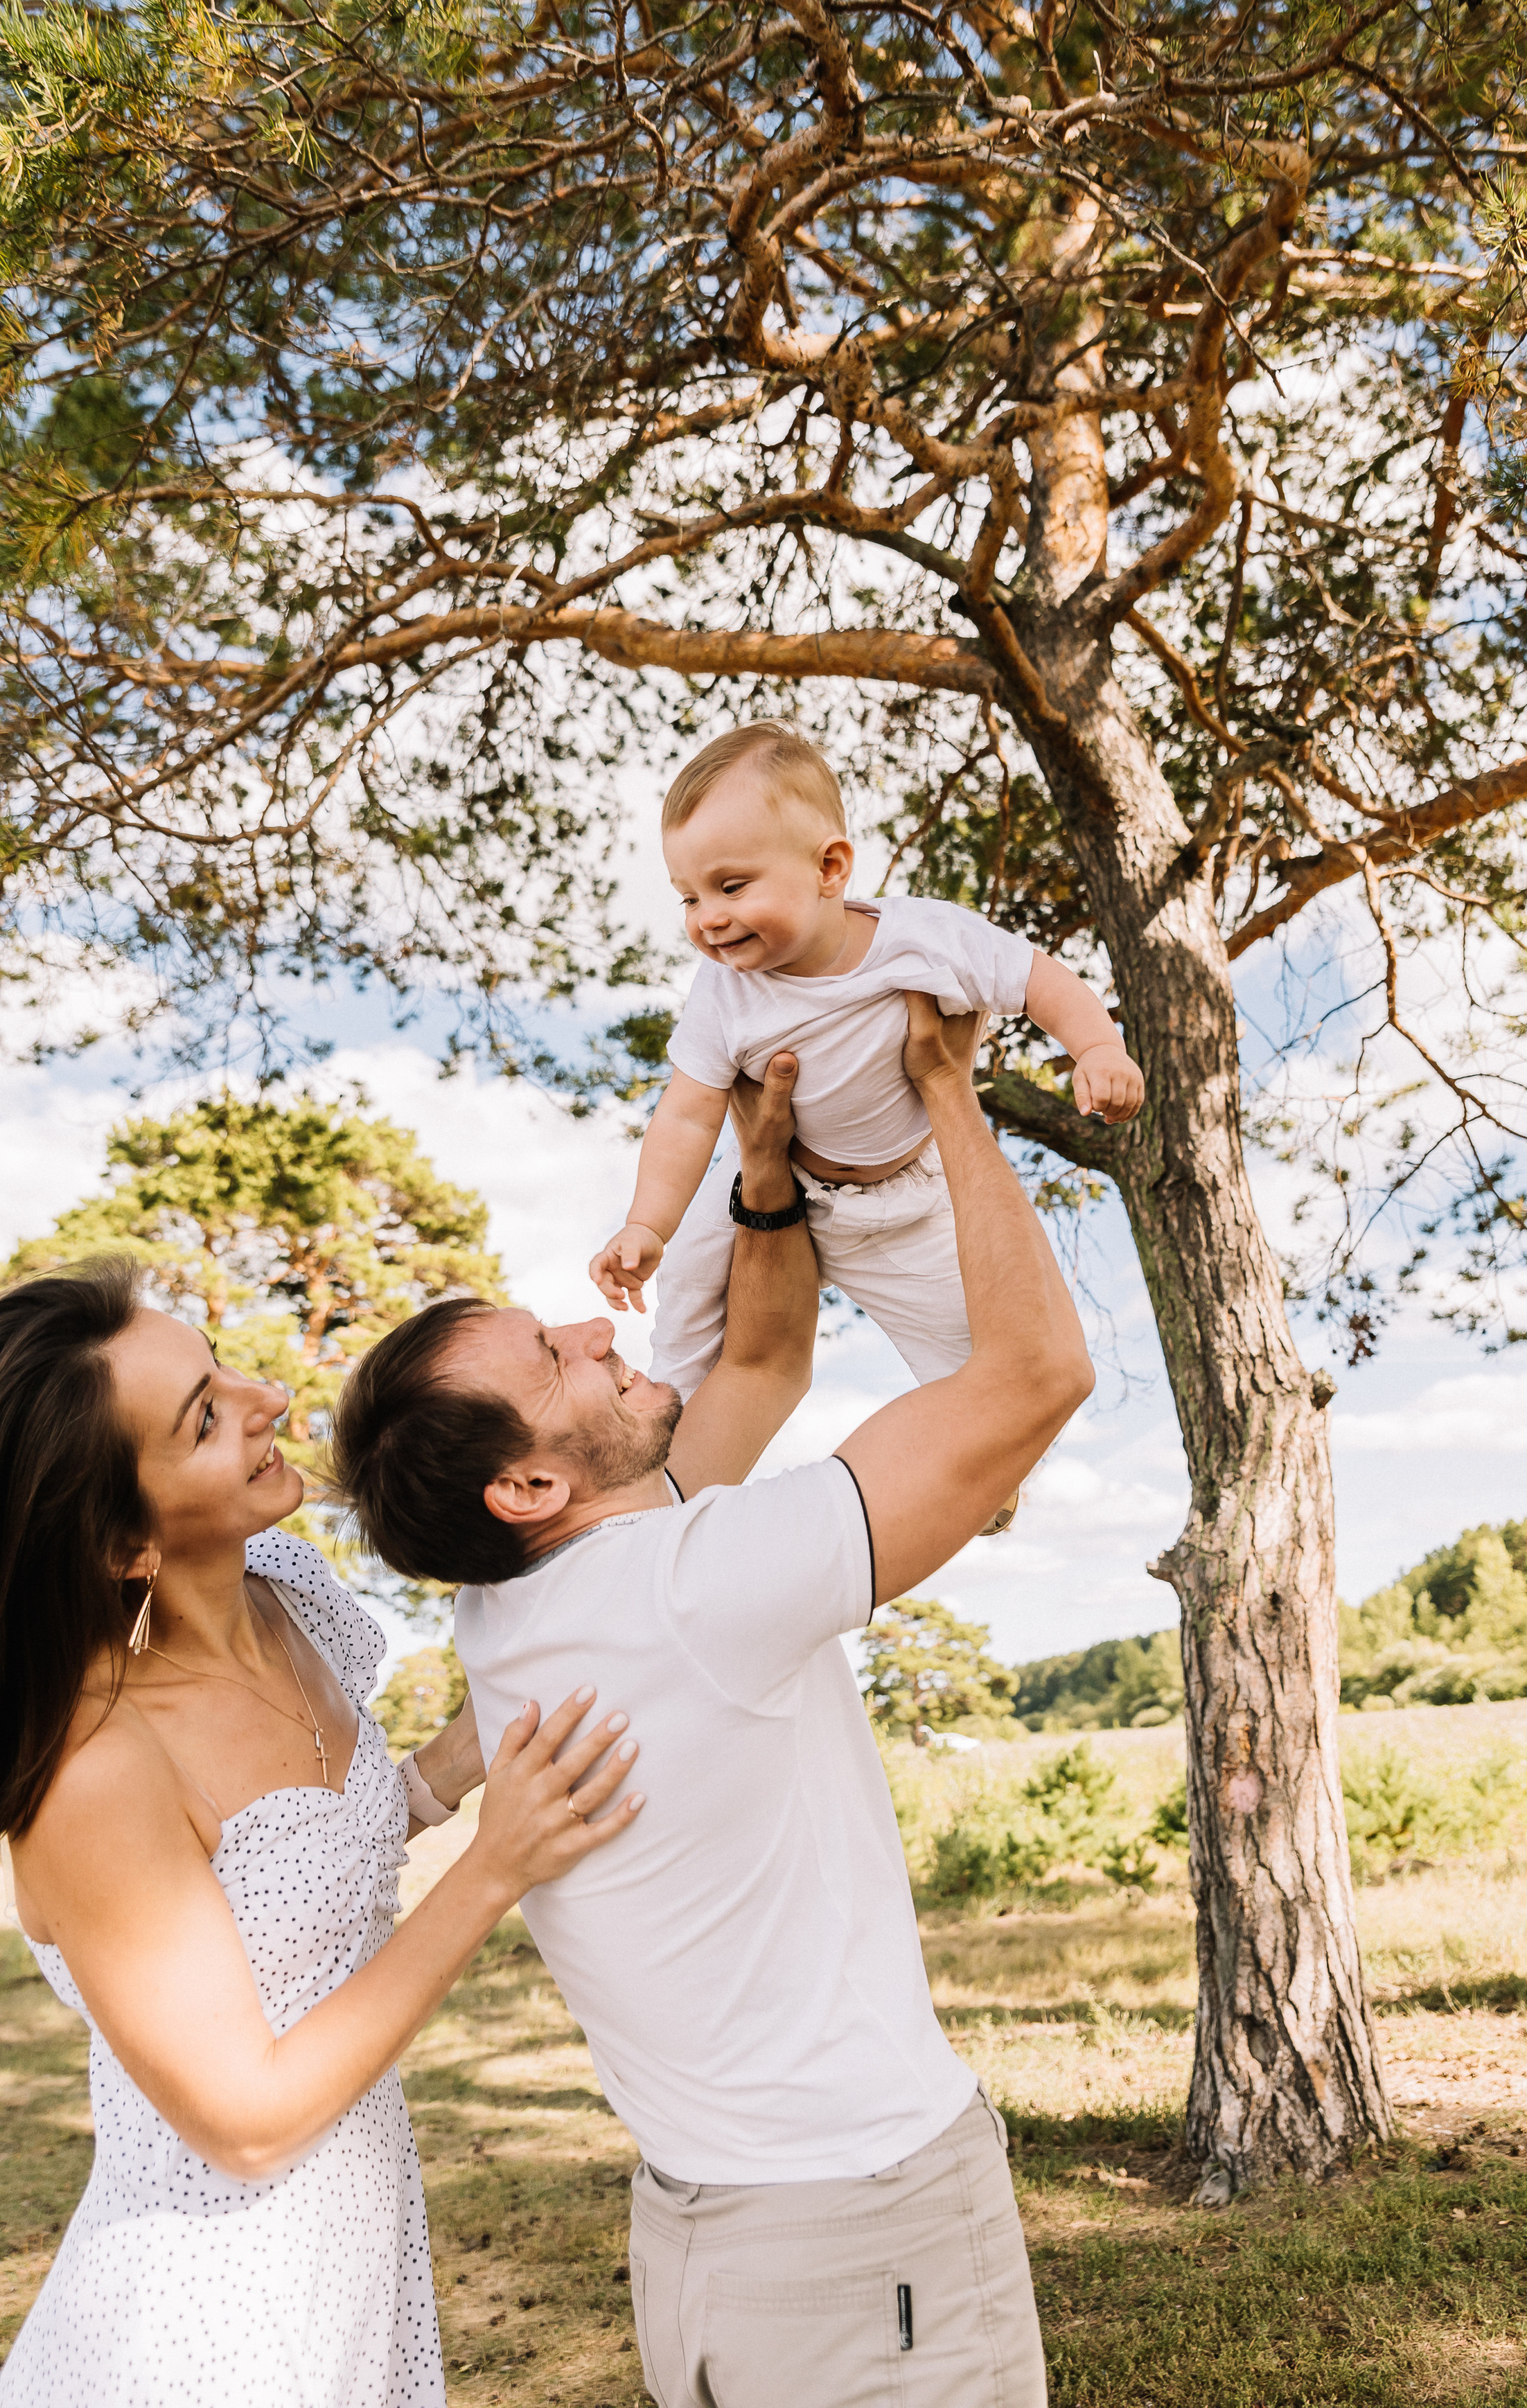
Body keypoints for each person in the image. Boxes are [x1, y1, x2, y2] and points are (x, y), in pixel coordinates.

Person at [332, 994, 1095, 2408]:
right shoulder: (695, 1585)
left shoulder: (511, 1601)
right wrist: (946, 1094)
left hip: (704, 2238)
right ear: (529, 1489)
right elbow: (1038, 1375)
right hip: (862, 2222)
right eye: (549, 1358)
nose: (584, 1325)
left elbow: (761, 1363)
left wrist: (761, 1185)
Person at [0, 1274, 644, 2408]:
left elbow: (300, 1860)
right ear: (120, 1544)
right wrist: (491, 1869)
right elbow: (244, 2122)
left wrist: (479, 1741)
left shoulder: (285, 1592)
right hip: (202, 2329)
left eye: (220, 1368)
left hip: (352, 2260)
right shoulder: (98, 1773)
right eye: (205, 1418)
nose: (270, 1397)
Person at [588, 723, 1140, 1537]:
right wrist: (645, 1222)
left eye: (731, 886)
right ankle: (674, 1418)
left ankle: (990, 1467)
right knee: (692, 1274)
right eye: (689, 897)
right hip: (782, 1183)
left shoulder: (923, 939)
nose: (707, 919)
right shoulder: (722, 993)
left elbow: (1038, 980)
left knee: (968, 1341)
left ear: (829, 868)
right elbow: (686, 1113)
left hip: (907, 1199)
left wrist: (1095, 1046)